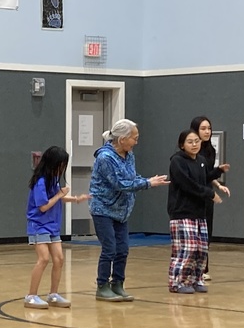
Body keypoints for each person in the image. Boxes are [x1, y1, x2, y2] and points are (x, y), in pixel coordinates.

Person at [89, 119, 168, 302]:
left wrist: (147, 179)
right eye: (134, 138)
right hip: (103, 209)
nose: (136, 142)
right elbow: (120, 184)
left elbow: (131, 177)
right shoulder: (105, 158)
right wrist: (147, 184)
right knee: (109, 248)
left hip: (122, 211)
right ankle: (102, 286)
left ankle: (118, 284)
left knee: (123, 249)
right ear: (122, 139)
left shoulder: (129, 154)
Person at [24, 145, 89, 309]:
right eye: (60, 165)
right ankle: (31, 296)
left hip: (52, 226)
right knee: (43, 259)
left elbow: (56, 198)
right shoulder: (40, 182)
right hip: (39, 225)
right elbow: (43, 206)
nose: (62, 169)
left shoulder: (53, 179)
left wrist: (74, 199)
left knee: (59, 259)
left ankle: (53, 294)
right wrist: (61, 194)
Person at [167, 130, 223, 294]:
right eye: (190, 142)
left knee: (201, 249)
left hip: (199, 212)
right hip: (182, 212)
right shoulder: (177, 161)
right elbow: (187, 184)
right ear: (182, 145)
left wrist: (219, 171)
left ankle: (195, 279)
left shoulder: (201, 160)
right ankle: (177, 282)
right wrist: (209, 194)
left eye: (197, 141)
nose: (194, 144)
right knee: (186, 249)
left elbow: (205, 179)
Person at [189, 116, 231, 280]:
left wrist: (218, 185)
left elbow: (206, 173)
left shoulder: (210, 150)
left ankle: (203, 268)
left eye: (209, 128)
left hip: (207, 194)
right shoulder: (191, 150)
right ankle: (191, 268)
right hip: (194, 195)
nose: (207, 132)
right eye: (203, 128)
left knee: (206, 232)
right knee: (194, 233)